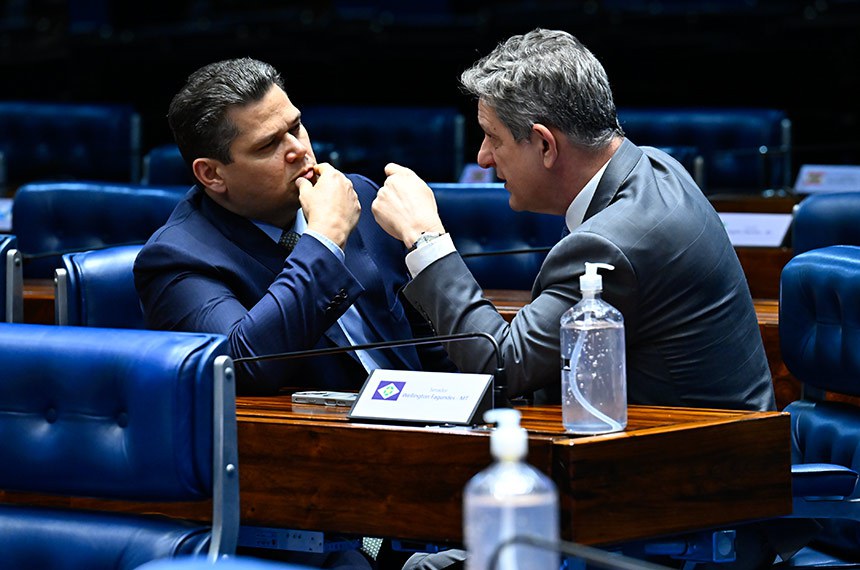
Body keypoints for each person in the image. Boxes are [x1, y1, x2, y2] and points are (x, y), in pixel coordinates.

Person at [371, 28, 810, 570]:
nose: (483, 158)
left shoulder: (617, 237)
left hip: (698, 510)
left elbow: (500, 363)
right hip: (685, 475)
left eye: (493, 139)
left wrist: (425, 239)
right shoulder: (651, 167)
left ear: (545, 144)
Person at [134, 58, 454, 394]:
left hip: (420, 417)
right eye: (268, 145)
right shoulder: (175, 259)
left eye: (296, 126)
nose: (299, 149)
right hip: (313, 436)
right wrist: (324, 239)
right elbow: (242, 364)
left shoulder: (357, 195)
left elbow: (430, 340)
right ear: (212, 175)